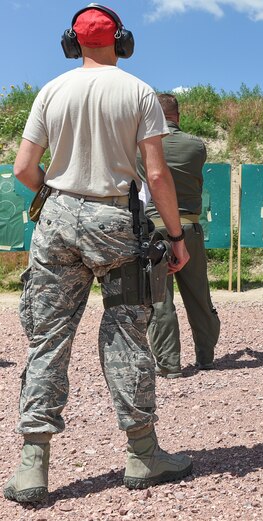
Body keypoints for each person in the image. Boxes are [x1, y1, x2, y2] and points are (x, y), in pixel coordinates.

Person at [5, 4, 193, 504]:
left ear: (72, 44)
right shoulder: (138, 91)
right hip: (115, 221)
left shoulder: (51, 89)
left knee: (47, 339)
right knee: (127, 335)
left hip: (57, 218)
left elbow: (24, 168)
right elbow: (156, 175)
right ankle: (142, 454)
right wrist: (176, 238)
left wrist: (56, 198)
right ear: (122, 42)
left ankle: (32, 466)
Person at [139, 93, 221, 378]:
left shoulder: (144, 149)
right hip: (189, 226)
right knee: (198, 294)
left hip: (155, 229)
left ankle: (169, 364)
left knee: (160, 297)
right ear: (178, 116)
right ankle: (206, 356)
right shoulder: (196, 146)